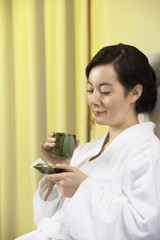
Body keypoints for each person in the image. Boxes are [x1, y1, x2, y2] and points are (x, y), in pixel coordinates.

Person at [15, 43, 160, 240]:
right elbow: (46, 219)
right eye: (91, 90)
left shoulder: (149, 152)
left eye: (106, 91)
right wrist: (60, 169)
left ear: (135, 93)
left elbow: (144, 229)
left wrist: (82, 188)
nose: (94, 100)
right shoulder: (86, 150)